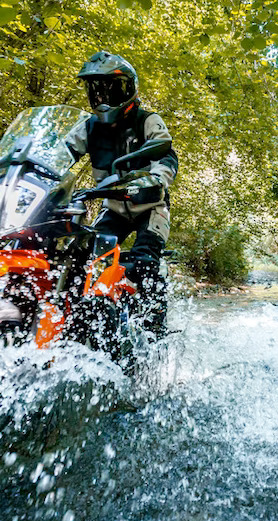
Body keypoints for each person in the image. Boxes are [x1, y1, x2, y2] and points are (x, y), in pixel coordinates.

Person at [63, 51, 179, 336]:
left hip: (149, 207)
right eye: (95, 90)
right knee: (81, 259)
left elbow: (167, 155)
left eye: (109, 89)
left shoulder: (147, 120)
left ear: (127, 88)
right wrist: (29, 168)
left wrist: (155, 178)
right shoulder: (88, 127)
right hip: (112, 207)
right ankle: (79, 323)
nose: (102, 97)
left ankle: (155, 332)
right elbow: (61, 152)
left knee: (144, 264)